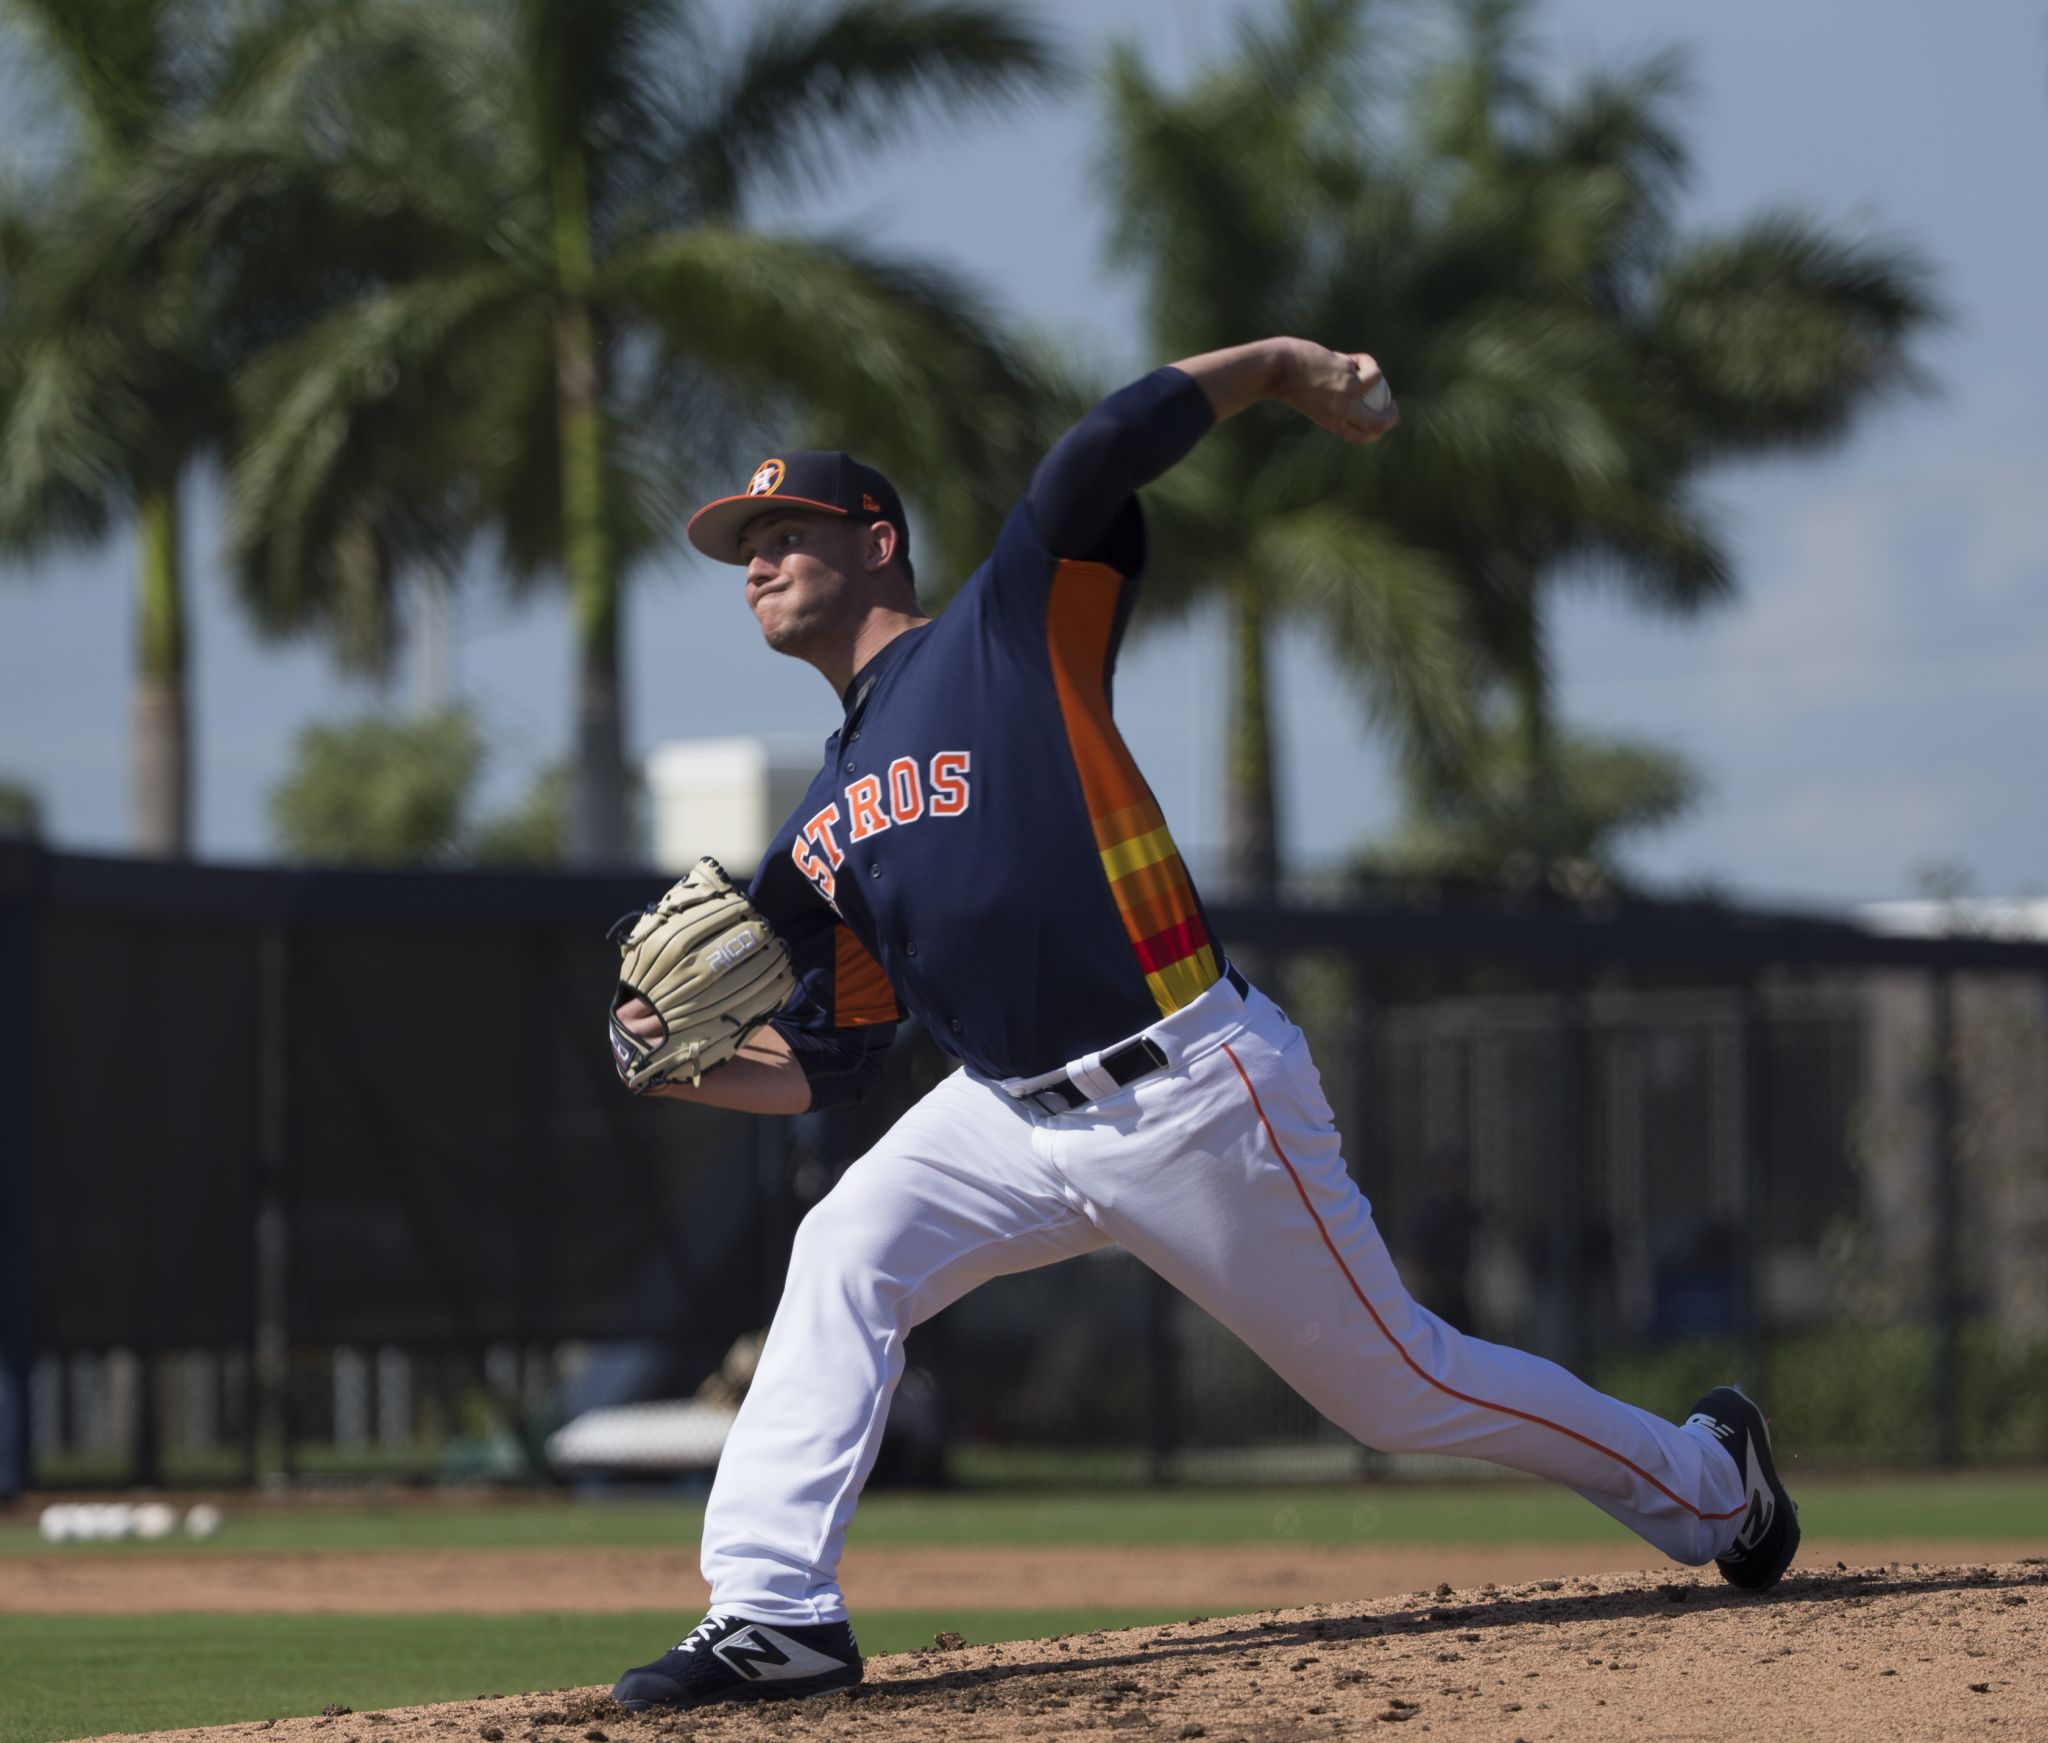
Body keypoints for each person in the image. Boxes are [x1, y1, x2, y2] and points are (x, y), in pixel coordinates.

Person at [606, 339, 1798, 1713]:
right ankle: (774, 1614)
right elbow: (822, 1070)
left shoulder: (1008, 628)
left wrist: (1282, 367)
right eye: (743, 545)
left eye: (785, 529)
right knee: (843, 1249)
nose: (757, 559)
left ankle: (1716, 1482)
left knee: (1400, 1390)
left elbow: (1101, 448)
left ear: (877, 539)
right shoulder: (816, 829)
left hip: (1188, 1088)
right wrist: (670, 1067)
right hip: (1003, 1114)